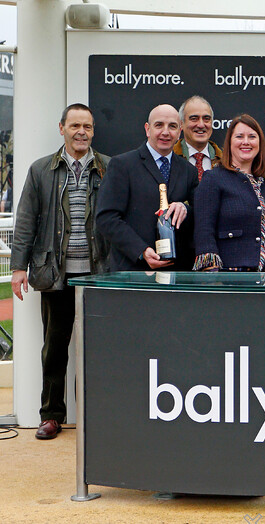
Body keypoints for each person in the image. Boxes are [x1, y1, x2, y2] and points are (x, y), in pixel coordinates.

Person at [10, 103, 109, 439]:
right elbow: (25, 221)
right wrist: (18, 267)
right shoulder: (41, 170)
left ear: (93, 131)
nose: (81, 132)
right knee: (54, 349)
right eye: (75, 126)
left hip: (97, 277)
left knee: (95, 350)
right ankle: (51, 415)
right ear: (62, 128)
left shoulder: (108, 168)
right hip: (56, 276)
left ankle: (91, 417)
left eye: (88, 126)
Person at [96, 104, 199, 271]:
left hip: (177, 274)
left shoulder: (189, 171)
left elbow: (201, 215)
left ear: (180, 131)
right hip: (133, 272)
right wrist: (140, 250)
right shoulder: (122, 165)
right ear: (147, 129)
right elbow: (106, 218)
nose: (165, 132)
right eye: (159, 125)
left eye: (172, 126)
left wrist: (185, 209)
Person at [192, 114, 265, 271]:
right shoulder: (213, 179)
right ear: (230, 142)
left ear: (260, 143)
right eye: (239, 136)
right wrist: (211, 276)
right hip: (226, 279)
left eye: (252, 137)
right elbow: (204, 231)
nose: (246, 142)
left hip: (263, 280)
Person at [174, 95, 222, 181]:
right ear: (181, 124)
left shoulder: (225, 161)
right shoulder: (169, 159)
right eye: (194, 119)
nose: (201, 125)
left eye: (206, 119)